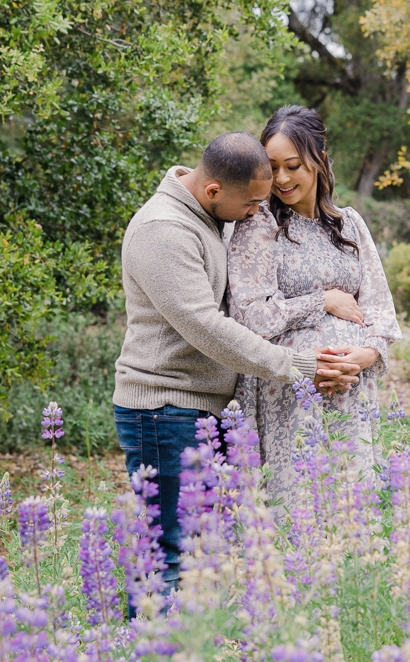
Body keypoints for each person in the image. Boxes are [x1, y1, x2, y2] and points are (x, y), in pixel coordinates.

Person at [113, 131, 362, 589]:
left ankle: (188, 655)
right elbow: (208, 327)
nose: (255, 214)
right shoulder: (164, 230)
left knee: (207, 551)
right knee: (169, 551)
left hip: (202, 409)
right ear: (213, 191)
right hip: (164, 408)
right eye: (250, 205)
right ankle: (147, 655)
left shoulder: (206, 214)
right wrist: (299, 365)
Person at [227, 105, 401, 505]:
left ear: (320, 161)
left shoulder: (350, 223)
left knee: (351, 501)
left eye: (293, 165)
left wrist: (365, 354)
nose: (282, 179)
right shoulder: (258, 225)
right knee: (301, 504)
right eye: (272, 168)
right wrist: (320, 301)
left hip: (350, 388)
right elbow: (250, 316)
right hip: (288, 389)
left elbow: (379, 307)